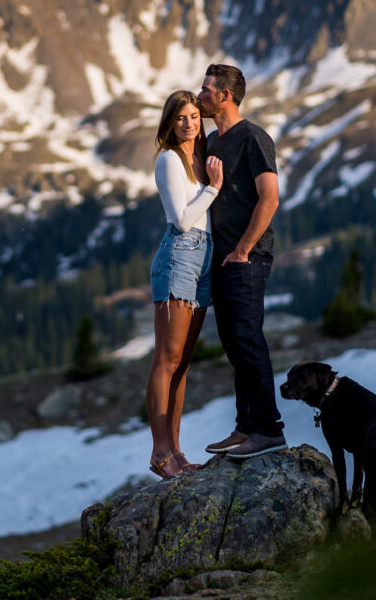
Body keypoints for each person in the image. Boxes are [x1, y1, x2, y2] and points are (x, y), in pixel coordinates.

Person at [197, 63, 286, 459]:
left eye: (206, 90)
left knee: (248, 340)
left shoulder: (253, 137)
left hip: (246, 257)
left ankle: (268, 430)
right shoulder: (213, 140)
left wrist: (244, 249)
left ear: (225, 95)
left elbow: (270, 197)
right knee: (234, 343)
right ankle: (246, 427)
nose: (200, 96)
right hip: (222, 258)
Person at [146, 90, 224, 479]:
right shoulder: (169, 159)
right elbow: (181, 220)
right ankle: (160, 452)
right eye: (180, 118)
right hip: (179, 254)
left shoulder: (202, 157)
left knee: (183, 363)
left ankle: (176, 450)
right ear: (170, 123)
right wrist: (213, 188)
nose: (189, 123)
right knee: (167, 359)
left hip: (204, 257)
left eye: (194, 116)